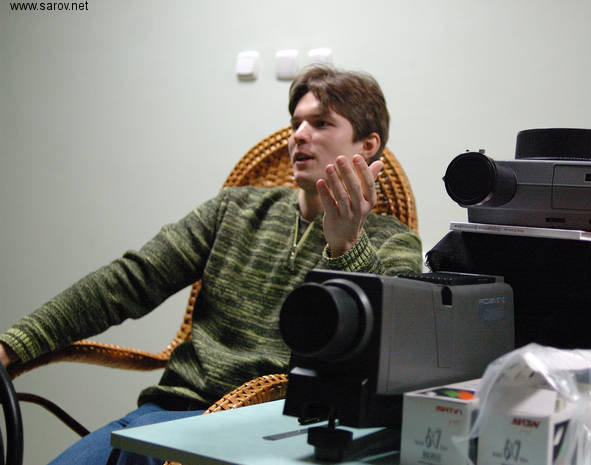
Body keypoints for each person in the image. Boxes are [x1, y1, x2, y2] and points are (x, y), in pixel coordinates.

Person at [0, 65, 422, 464]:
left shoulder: (394, 241)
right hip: (162, 414)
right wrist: (14, 345)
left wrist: (347, 245)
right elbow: (128, 281)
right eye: (296, 123)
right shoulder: (234, 210)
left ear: (367, 145)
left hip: (265, 430)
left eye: (321, 123)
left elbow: (389, 351)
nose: (298, 135)